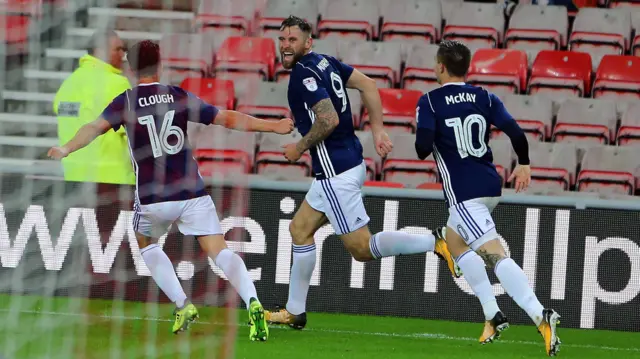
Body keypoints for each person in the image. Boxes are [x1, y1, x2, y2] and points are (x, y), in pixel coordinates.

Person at [47, 40, 295, 341]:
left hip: (154, 198)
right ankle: (253, 301)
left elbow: (93, 128)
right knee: (220, 251)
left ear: (131, 67)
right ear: (160, 63)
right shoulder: (176, 95)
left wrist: (66, 147)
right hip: (192, 192)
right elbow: (226, 118)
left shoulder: (125, 101)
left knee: (146, 243)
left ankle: (182, 304)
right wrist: (272, 127)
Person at [265, 16, 461, 329]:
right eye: (283, 39)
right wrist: (378, 130)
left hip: (335, 173)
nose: (286, 46)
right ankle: (294, 312)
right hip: (349, 162)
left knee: (361, 249)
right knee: (299, 230)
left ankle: (434, 241)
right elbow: (368, 84)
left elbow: (327, 120)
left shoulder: (303, 74)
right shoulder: (326, 62)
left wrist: (298, 148)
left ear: (307, 43)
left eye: (293, 40)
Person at [414, 40, 561, 356]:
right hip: (490, 184)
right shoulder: (484, 96)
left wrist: (430, 130)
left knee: (493, 254)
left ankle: (540, 315)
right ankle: (492, 314)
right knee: (454, 242)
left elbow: (422, 148)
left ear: (440, 66)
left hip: (464, 193)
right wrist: (523, 163)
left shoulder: (429, 101)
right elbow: (516, 132)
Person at [53, 29, 135, 185]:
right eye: (118, 49)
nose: (122, 55)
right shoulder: (117, 83)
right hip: (113, 180)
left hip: (74, 177)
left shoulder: (68, 84)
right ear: (100, 51)